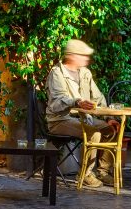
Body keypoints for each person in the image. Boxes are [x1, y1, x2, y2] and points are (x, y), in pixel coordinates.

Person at [45, 39, 120, 188]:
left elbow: (97, 97)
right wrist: (76, 102)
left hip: (83, 118)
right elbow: (58, 101)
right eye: (83, 55)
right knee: (94, 134)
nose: (87, 58)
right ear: (72, 56)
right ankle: (85, 174)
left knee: (112, 129)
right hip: (60, 120)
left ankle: (103, 172)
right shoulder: (57, 73)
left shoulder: (85, 73)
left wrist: (109, 117)